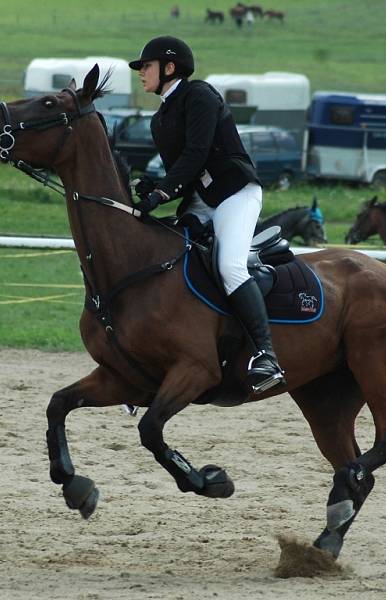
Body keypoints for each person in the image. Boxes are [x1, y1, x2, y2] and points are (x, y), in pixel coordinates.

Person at [129, 36, 285, 393]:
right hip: (200, 202)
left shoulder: (199, 94)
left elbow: (197, 154)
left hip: (235, 194)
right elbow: (182, 175)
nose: (140, 74)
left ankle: (265, 354)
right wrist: (156, 186)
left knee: (230, 266)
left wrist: (161, 192)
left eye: (146, 67)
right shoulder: (160, 119)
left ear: (169, 68)